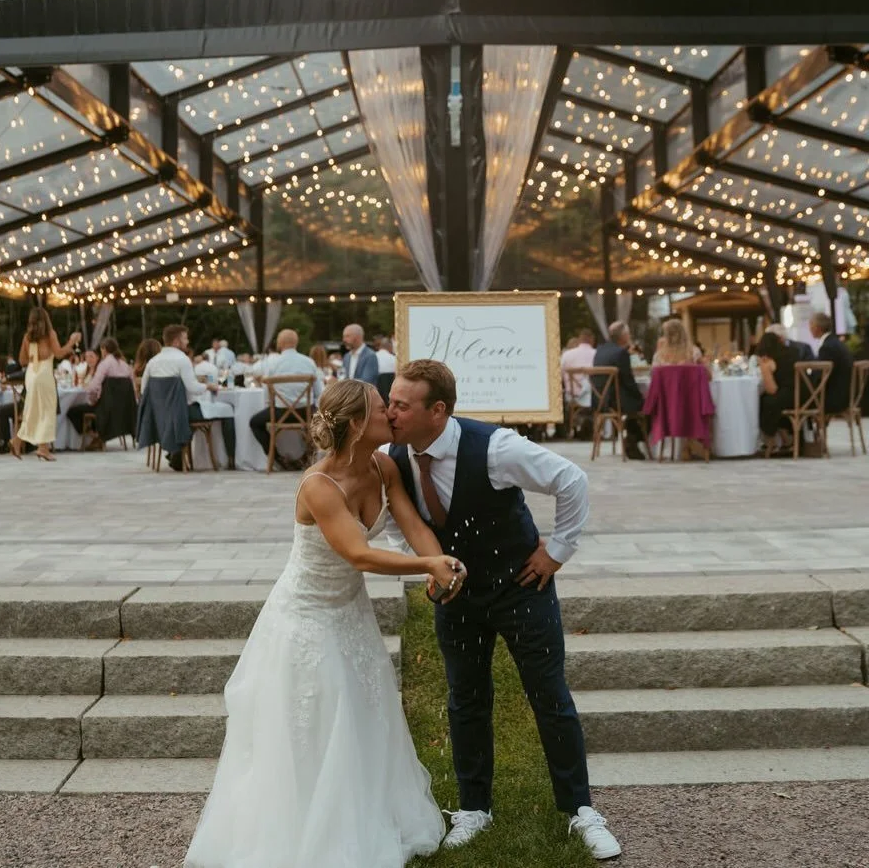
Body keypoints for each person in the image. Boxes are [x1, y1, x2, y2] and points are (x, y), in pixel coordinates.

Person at [185, 379, 460, 868]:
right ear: (357, 424)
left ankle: (364, 813)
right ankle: (302, 830)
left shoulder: (383, 464)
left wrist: (441, 561)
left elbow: (412, 525)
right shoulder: (318, 486)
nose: (392, 416)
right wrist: (425, 569)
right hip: (305, 620)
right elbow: (359, 553)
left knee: (361, 714)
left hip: (350, 613)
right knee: (311, 725)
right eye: (382, 409)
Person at [386, 360, 621, 860]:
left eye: (401, 405)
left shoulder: (495, 447)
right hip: (457, 596)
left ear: (439, 410)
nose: (390, 412)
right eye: (391, 401)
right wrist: (428, 569)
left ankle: (580, 810)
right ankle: (474, 808)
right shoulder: (393, 456)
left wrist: (556, 551)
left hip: (520, 588)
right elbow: (396, 523)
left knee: (549, 695)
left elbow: (571, 480)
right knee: (465, 699)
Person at [141, 325, 232, 471]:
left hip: (159, 415)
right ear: (176, 342)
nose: (188, 341)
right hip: (180, 414)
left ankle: (176, 453)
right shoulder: (182, 360)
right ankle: (231, 459)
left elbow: (143, 390)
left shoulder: (153, 362)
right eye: (185, 338)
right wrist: (208, 386)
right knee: (227, 410)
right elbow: (193, 388)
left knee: (191, 414)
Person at [11, 309, 81, 463]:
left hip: (31, 373)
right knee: (47, 410)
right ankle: (40, 448)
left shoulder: (27, 337)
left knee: (32, 409)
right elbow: (59, 353)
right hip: (44, 373)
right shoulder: (50, 334)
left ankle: (22, 441)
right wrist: (71, 341)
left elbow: (22, 360)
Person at [249, 328, 323, 470]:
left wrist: (270, 407)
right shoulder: (308, 362)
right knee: (324, 419)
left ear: (279, 343)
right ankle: (308, 458)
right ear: (296, 342)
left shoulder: (272, 364)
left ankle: (277, 458)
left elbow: (267, 395)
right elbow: (319, 392)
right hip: (305, 412)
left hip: (280, 413)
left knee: (254, 422)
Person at [592, 320, 648, 461]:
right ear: (623, 336)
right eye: (628, 333)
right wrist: (641, 397)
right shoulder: (621, 353)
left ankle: (631, 439)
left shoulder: (600, 350)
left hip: (600, 400)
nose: (629, 336)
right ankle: (632, 440)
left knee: (638, 406)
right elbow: (629, 382)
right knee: (650, 406)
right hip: (615, 400)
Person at [756, 329, 798, 454]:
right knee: (771, 401)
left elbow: (772, 389)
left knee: (763, 401)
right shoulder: (792, 353)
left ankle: (771, 442)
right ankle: (786, 440)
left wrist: (764, 368)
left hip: (789, 398)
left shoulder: (769, 362)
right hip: (804, 396)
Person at [809, 312, 854, 416]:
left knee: (797, 399)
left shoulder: (827, 348)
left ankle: (801, 431)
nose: (810, 329)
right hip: (846, 395)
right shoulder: (836, 343)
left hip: (834, 400)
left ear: (817, 327)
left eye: (810, 325)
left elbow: (820, 376)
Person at [83, 337, 133, 405]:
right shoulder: (125, 365)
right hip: (123, 407)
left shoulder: (104, 364)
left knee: (72, 411)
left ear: (104, 349)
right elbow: (132, 386)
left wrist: (92, 401)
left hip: (106, 407)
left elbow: (93, 388)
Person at [560, 329, 597, 412]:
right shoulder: (598, 355)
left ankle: (571, 422)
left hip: (572, 397)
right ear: (592, 340)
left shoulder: (566, 355)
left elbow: (559, 377)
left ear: (579, 340)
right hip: (595, 398)